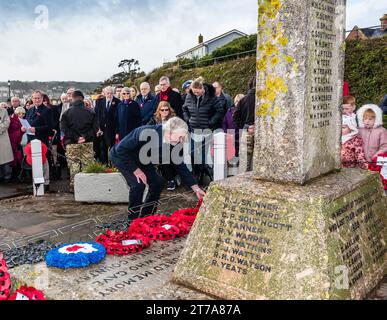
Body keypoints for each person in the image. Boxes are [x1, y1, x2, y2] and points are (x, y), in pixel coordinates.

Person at [110, 117, 205, 220]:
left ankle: (146, 216)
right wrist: (136, 171)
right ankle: (133, 220)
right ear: (169, 132)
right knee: (138, 185)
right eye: (180, 137)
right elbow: (121, 150)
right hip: (123, 157)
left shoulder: (174, 143)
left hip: (143, 160)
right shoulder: (145, 132)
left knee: (158, 183)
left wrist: (196, 188)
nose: (181, 141)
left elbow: (180, 165)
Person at [183, 77, 224, 183]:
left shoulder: (211, 96)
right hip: (193, 129)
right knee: (191, 152)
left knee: (203, 155)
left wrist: (210, 122)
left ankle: (206, 176)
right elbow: (184, 109)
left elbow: (219, 111)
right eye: (194, 92)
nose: (196, 94)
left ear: (203, 89)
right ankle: (204, 172)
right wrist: (188, 119)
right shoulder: (189, 96)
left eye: (198, 92)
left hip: (206, 130)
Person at [60, 90, 98, 191]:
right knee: (87, 167)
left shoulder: (66, 113)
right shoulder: (91, 112)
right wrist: (84, 137)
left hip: (72, 144)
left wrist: (76, 138)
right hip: (87, 143)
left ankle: (75, 189)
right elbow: (95, 129)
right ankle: (88, 189)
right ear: (82, 99)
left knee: (74, 167)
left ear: (72, 98)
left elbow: (64, 129)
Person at [24, 90, 53, 191]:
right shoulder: (30, 110)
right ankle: (35, 181)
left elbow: (50, 128)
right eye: (34, 98)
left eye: (38, 98)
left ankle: (46, 182)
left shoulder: (47, 110)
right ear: (32, 99)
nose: (36, 100)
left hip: (41, 140)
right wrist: (23, 127)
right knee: (33, 162)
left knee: (43, 162)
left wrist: (36, 129)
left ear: (42, 99)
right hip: (30, 139)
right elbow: (27, 122)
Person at [147, 101, 177, 190]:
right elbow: (147, 128)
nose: (164, 112)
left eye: (166, 110)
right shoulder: (155, 119)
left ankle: (170, 180)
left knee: (164, 157)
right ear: (159, 111)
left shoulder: (173, 119)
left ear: (169, 110)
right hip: (157, 144)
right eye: (162, 110)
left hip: (171, 145)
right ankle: (154, 179)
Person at [233, 76, 256, 172]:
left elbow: (235, 117)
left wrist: (244, 125)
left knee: (245, 161)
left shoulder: (243, 100)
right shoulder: (265, 100)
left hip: (246, 129)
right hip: (261, 131)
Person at [94, 86, 121, 164]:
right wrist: (97, 128)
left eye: (111, 93)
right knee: (102, 148)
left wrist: (117, 132)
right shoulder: (99, 101)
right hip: (101, 130)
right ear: (104, 93)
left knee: (112, 148)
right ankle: (104, 164)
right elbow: (96, 116)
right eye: (108, 93)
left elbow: (118, 118)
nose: (109, 95)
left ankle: (112, 164)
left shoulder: (118, 102)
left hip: (112, 129)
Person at [8, 107, 25, 178]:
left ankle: (18, 174)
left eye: (24, 113)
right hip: (14, 142)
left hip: (18, 142)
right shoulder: (13, 120)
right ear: (18, 113)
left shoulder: (20, 120)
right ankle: (15, 175)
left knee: (18, 158)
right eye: (21, 113)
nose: (23, 115)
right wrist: (21, 131)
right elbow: (12, 133)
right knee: (16, 159)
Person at [0, 103, 14, 183]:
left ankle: (7, 176)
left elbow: (7, 122)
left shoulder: (4, 111)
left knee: (5, 160)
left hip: (3, 138)